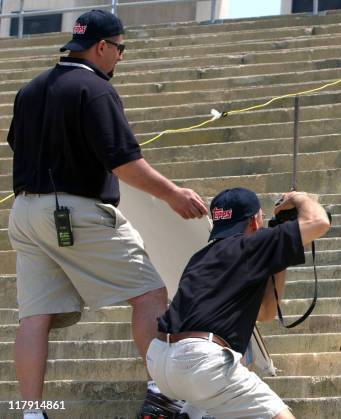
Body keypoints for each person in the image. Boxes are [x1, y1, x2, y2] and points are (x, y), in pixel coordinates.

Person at [6, 10, 208, 419]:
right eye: (120, 48)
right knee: (150, 294)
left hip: (24, 212)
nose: (120, 57)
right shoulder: (94, 88)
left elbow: (16, 143)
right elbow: (123, 163)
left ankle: (31, 412)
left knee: (35, 316)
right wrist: (172, 194)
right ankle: (163, 393)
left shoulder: (30, 89)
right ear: (102, 46)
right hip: (73, 211)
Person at [146, 187, 330, 419]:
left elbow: (265, 313)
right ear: (255, 220)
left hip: (162, 362)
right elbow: (319, 221)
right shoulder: (253, 245)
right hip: (200, 361)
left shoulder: (201, 257)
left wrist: (279, 256)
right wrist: (298, 198)